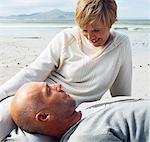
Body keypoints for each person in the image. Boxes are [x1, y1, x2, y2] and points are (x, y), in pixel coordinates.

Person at [0, 0, 132, 104]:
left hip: (74, 114)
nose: (90, 37)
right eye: (84, 30)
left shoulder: (121, 45)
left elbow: (121, 96)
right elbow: (34, 72)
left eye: (96, 30)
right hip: (40, 99)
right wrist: (2, 93)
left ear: (111, 23)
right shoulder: (67, 37)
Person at [10, 82, 150, 142]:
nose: (57, 86)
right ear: (45, 116)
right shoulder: (84, 137)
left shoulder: (85, 108)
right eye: (49, 90)